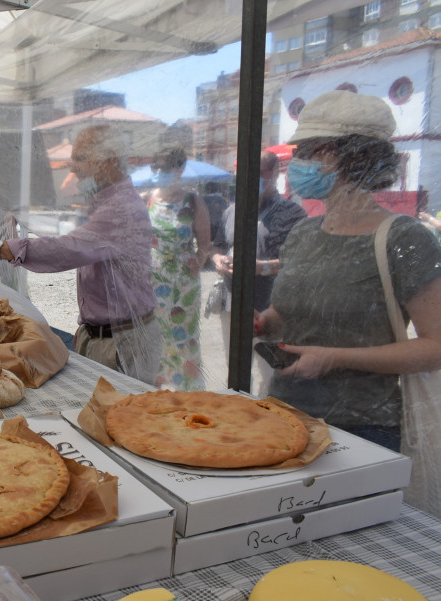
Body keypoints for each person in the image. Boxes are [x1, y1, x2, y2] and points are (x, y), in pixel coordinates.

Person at [255, 90, 441, 451]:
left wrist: (333, 359)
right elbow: (288, 314)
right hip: (285, 416)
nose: (299, 162)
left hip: (363, 431)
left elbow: (436, 346)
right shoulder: (304, 232)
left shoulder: (404, 237)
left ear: (353, 155)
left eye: (310, 150)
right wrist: (264, 322)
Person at [0, 124, 161, 385]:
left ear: (108, 161)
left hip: (122, 341)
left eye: (80, 158)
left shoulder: (121, 209)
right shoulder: (107, 203)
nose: (73, 168)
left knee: (119, 417)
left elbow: (67, 249)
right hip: (105, 336)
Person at [210, 150, 307, 396]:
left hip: (271, 306)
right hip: (233, 304)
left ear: (275, 174)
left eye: (259, 173)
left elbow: (301, 261)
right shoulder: (231, 211)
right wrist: (217, 259)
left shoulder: (293, 214)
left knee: (271, 371)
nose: (251, 179)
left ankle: (266, 414)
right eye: (243, 174)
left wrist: (262, 267)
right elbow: (218, 245)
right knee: (235, 366)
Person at [143, 146, 211, 390]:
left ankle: (188, 393)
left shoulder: (192, 201)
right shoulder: (146, 200)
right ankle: (158, 390)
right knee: (156, 337)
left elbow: (204, 244)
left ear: (179, 169)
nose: (159, 171)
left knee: (185, 340)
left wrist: (190, 271)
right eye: (156, 167)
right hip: (153, 283)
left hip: (184, 288)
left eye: (165, 167)